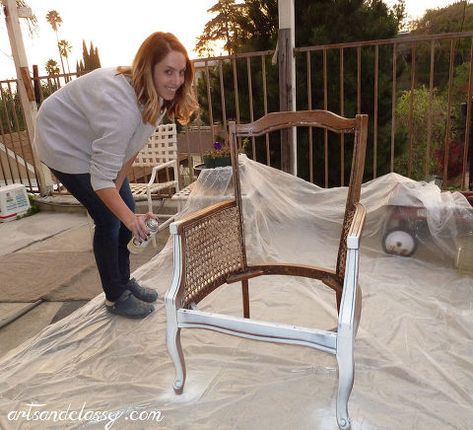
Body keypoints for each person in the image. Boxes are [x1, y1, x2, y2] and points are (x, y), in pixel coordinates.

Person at [34, 32, 198, 319]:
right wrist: (126, 217)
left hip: (87, 137)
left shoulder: (157, 97)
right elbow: (100, 180)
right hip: (60, 141)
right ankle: (114, 296)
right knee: (109, 218)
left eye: (181, 72)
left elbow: (130, 149)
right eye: (168, 72)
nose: (176, 81)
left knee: (124, 208)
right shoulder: (121, 109)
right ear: (148, 69)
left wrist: (124, 201)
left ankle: (124, 281)